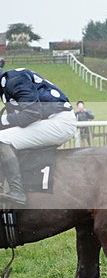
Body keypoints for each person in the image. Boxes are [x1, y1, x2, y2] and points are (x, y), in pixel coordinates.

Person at [0, 62, 77, 204]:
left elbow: (32, 113)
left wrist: (3, 120)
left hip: (59, 122)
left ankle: (17, 191)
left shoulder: (14, 80)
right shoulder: (6, 83)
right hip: (48, 120)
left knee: (1, 140)